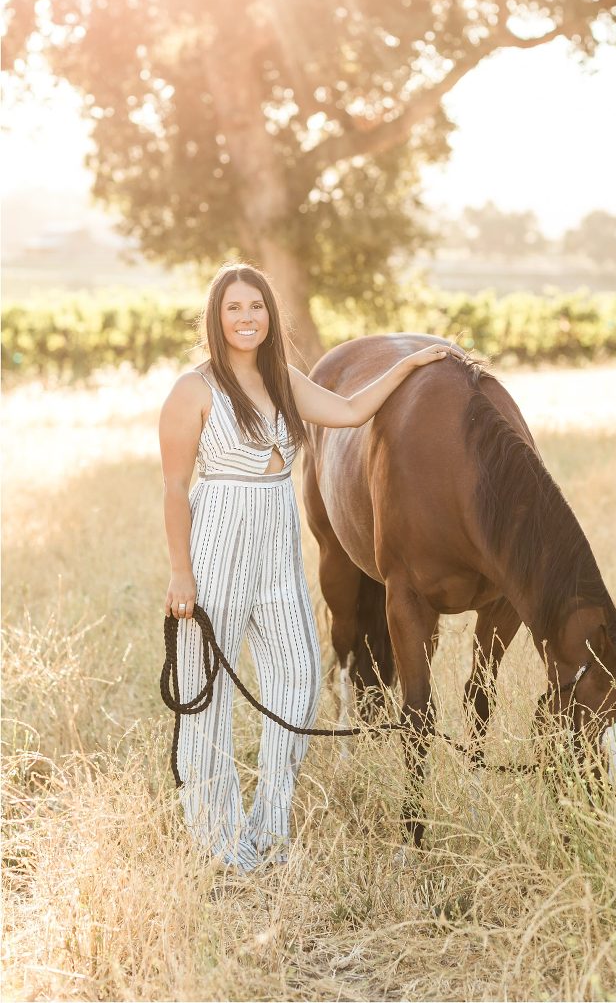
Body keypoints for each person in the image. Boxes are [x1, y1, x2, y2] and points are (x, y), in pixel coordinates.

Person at [159, 262, 456, 873]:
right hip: (217, 535)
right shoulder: (193, 390)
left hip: (277, 541)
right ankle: (218, 838)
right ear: (217, 318)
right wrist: (181, 573)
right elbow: (171, 487)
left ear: (270, 316)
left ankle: (270, 827)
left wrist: (407, 365)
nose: (247, 319)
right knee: (206, 692)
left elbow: (349, 410)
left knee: (298, 681)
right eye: (234, 308)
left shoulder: (285, 380)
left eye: (257, 307)